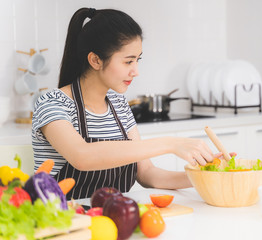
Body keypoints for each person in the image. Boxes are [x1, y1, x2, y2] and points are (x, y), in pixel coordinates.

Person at [31, 8, 224, 200]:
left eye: (137, 60)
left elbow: (147, 173)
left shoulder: (119, 105)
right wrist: (171, 144)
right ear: (95, 60)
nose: (136, 71)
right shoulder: (52, 103)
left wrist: (203, 175)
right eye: (128, 61)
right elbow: (83, 157)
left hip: (114, 219)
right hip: (65, 222)